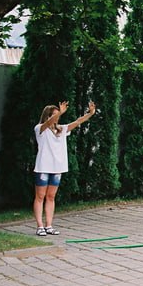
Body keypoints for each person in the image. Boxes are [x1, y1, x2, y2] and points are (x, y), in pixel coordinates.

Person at [34, 100, 96, 236]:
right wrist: (59, 113)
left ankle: (49, 225)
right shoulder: (40, 129)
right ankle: (40, 226)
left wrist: (90, 114)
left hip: (57, 168)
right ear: (47, 116)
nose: (57, 117)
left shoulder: (61, 129)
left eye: (58, 115)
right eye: (54, 115)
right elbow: (48, 123)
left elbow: (77, 122)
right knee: (40, 196)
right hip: (43, 167)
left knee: (51, 196)